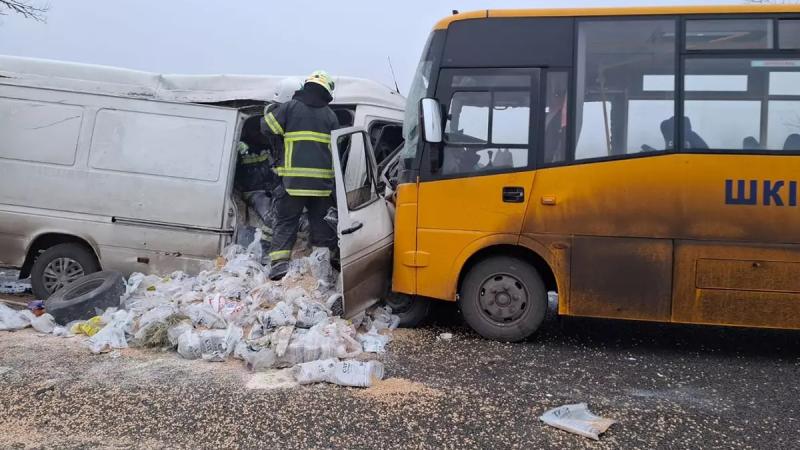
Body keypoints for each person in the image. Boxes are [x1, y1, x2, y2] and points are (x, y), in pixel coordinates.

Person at [261, 70, 340, 280]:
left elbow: (266, 127)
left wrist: (275, 111)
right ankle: (321, 272)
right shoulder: (331, 116)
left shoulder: (291, 108)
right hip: (321, 187)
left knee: (286, 222)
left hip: (293, 183)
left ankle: (279, 267)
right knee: (322, 227)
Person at [234, 119, 278, 258]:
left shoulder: (271, 148)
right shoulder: (242, 148)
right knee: (269, 216)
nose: (262, 134)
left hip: (270, 190)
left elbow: (274, 171)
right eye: (258, 131)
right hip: (253, 192)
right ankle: (265, 252)